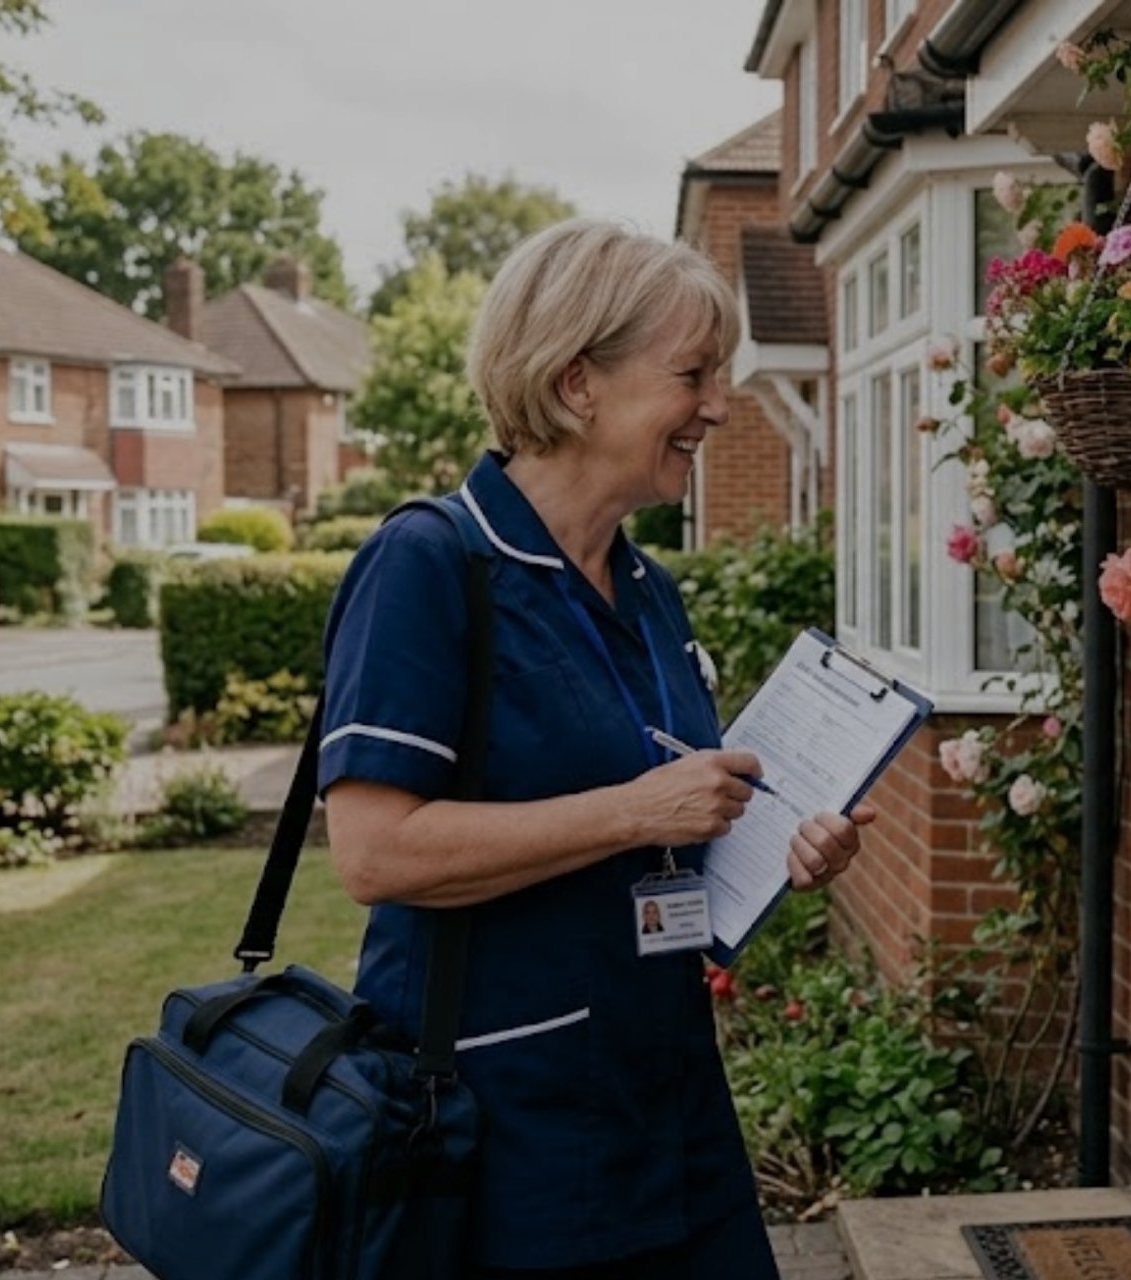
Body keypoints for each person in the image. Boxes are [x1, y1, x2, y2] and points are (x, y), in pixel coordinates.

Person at [318, 218, 875, 1279]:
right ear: (577, 383)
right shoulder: (431, 564)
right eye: (692, 373)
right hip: (499, 1123)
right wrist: (637, 809)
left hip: (665, 1102)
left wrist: (779, 848)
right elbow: (374, 853)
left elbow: (672, 830)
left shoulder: (650, 588)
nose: (717, 404)